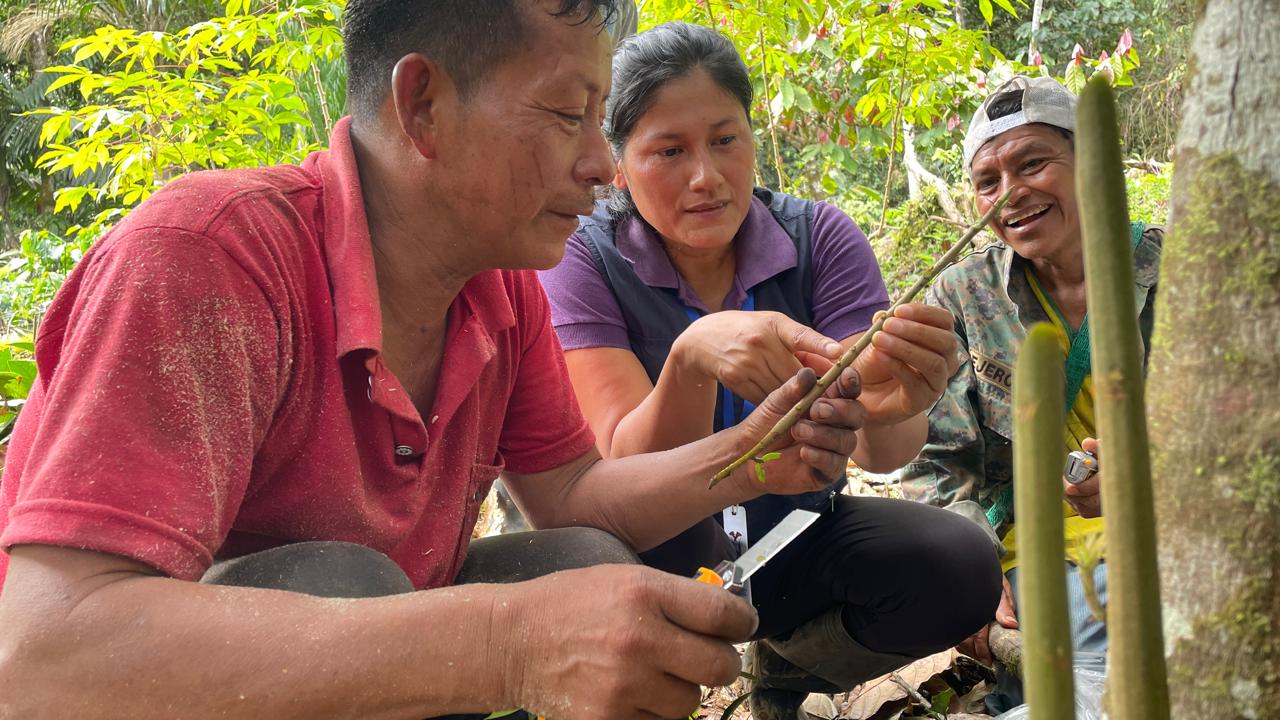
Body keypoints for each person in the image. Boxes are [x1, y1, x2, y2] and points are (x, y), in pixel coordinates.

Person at [0, 3, 875, 719]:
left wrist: (748, 457)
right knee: (341, 581)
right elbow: (42, 653)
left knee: (585, 564)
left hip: (366, 659)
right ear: (422, 105)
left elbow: (571, 494)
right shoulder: (209, 256)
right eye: (567, 115)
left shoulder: (500, 286)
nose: (601, 167)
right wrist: (511, 645)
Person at [538, 22, 1003, 720]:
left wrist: (897, 398)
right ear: (619, 165)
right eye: (669, 150)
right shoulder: (585, 258)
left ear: (753, 136)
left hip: (793, 537)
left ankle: (786, 667)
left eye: (725, 139)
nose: (706, 176)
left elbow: (882, 450)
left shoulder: (819, 238)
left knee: (958, 565)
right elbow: (623, 467)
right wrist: (692, 359)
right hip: (653, 559)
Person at [897, 75, 1163, 712]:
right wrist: (968, 571)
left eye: (1033, 164)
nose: (1010, 194)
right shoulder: (965, 294)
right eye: (988, 181)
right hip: (1038, 565)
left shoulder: (1190, 273)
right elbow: (935, 464)